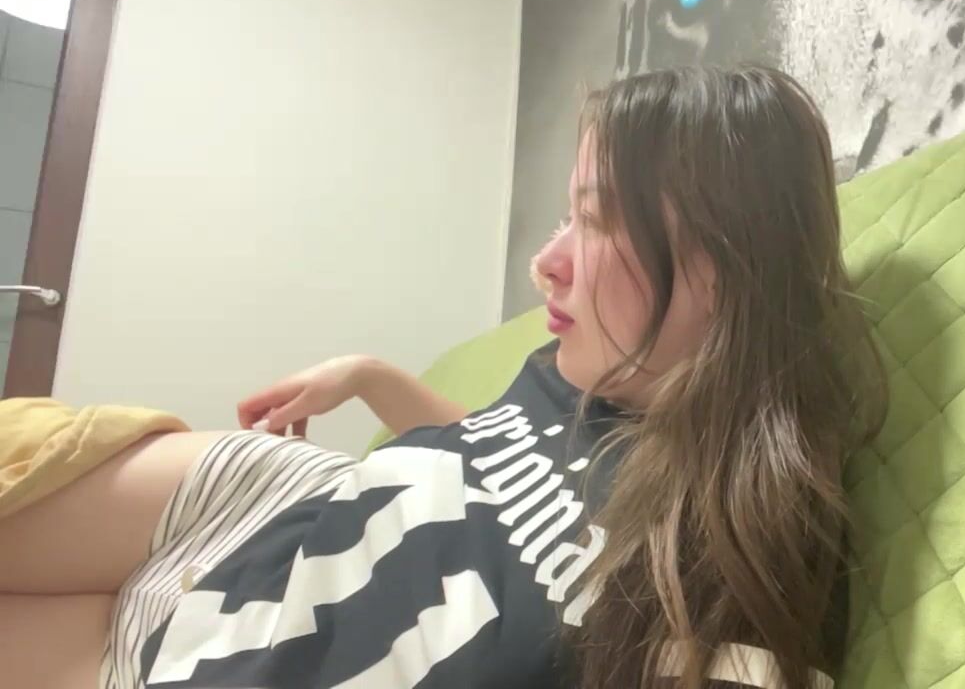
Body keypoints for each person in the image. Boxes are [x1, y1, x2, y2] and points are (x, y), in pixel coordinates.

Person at [0, 65, 886, 689]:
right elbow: (493, 459)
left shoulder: (738, 543)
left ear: (722, 265)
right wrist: (371, 378)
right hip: (268, 504)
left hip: (232, 664)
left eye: (592, 221)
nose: (547, 264)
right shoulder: (587, 366)